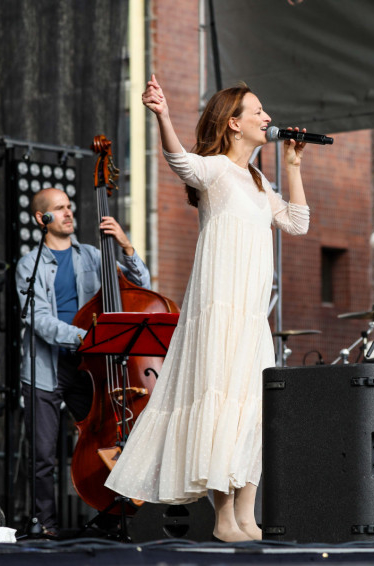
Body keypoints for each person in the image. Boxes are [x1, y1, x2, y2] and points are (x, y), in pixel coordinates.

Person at [105, 75, 309, 542]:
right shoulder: (217, 170)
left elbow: (297, 223)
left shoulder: (258, 180)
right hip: (220, 310)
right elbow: (180, 160)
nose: (267, 117)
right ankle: (223, 520)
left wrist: (293, 164)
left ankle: (247, 517)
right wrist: (163, 115)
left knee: (253, 410)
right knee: (220, 404)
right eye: (258, 111)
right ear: (234, 123)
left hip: (252, 318)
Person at [16, 187, 151, 536]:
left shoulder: (92, 255)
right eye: (59, 209)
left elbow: (141, 287)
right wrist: (85, 337)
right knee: (43, 454)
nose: (68, 213)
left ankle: (111, 516)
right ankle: (45, 525)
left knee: (106, 440)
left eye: (69, 207)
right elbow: (39, 319)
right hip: (46, 368)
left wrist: (126, 246)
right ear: (42, 218)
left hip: (91, 370)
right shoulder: (29, 265)